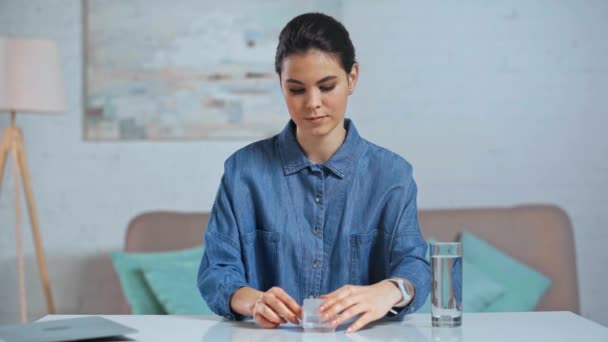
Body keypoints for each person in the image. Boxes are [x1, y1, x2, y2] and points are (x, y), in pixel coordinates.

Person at [198, 12, 430, 333]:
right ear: (280, 83)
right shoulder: (242, 171)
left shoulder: (393, 175)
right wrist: (253, 301)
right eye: (296, 90)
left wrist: (388, 291)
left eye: (327, 86)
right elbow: (216, 271)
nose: (312, 103)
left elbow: (415, 265)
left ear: (352, 78)